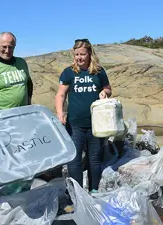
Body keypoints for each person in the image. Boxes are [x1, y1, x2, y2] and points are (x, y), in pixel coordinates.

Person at [55, 38, 112, 193]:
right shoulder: (69, 72)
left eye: (82, 54)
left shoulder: (98, 71)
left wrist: (104, 92)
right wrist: (60, 114)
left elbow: (108, 88)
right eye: (76, 55)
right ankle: (77, 193)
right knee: (74, 160)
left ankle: (93, 190)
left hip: (97, 124)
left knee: (94, 159)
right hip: (75, 124)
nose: (79, 58)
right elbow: (60, 95)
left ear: (89, 54)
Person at [0, 32, 33, 111]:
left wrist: (28, 102)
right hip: (3, 117)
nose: (7, 51)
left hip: (24, 113)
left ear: (15, 46)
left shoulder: (22, 62)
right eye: (4, 47)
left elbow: (29, 84)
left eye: (10, 47)